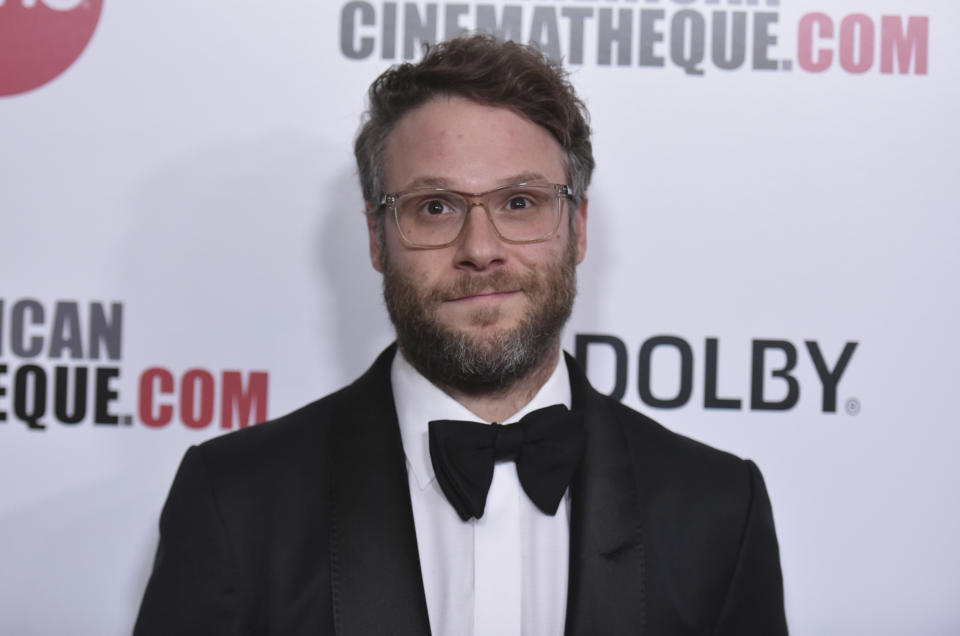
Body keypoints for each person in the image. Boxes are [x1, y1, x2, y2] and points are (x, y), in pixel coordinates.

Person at [134, 34, 787, 636]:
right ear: (375, 237)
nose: (481, 248)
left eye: (520, 202)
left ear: (578, 228)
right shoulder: (236, 504)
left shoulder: (717, 512)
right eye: (435, 207)